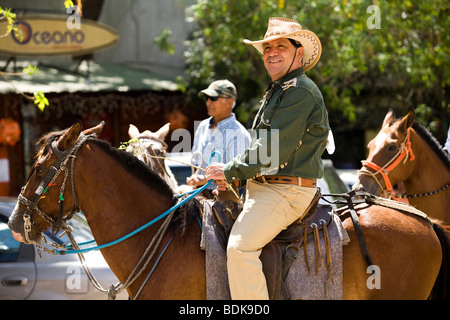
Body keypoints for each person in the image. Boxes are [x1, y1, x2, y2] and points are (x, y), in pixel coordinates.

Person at [205, 17, 329, 299]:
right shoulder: (279, 90)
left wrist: (229, 170)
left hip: (286, 191)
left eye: (281, 46)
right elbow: (262, 149)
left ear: (299, 52)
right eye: (267, 47)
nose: (272, 52)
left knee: (239, 247)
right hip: (265, 187)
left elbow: (271, 151)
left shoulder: (299, 91)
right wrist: (233, 178)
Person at [186, 80, 251, 197]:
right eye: (207, 98)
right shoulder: (202, 126)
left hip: (226, 201)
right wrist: (195, 179)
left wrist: (205, 179)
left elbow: (238, 176)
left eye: (213, 98)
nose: (208, 103)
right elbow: (195, 161)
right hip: (198, 195)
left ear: (229, 102)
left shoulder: (239, 134)